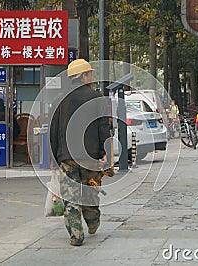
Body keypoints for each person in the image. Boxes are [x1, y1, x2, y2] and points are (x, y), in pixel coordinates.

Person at [49, 59, 111, 246]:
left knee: (71, 197)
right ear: (83, 76)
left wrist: (53, 156)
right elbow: (103, 126)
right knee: (90, 192)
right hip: (89, 156)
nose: (91, 76)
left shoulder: (60, 98)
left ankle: (76, 235)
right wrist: (105, 152)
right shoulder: (96, 96)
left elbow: (53, 129)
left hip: (67, 157)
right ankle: (93, 223)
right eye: (89, 73)